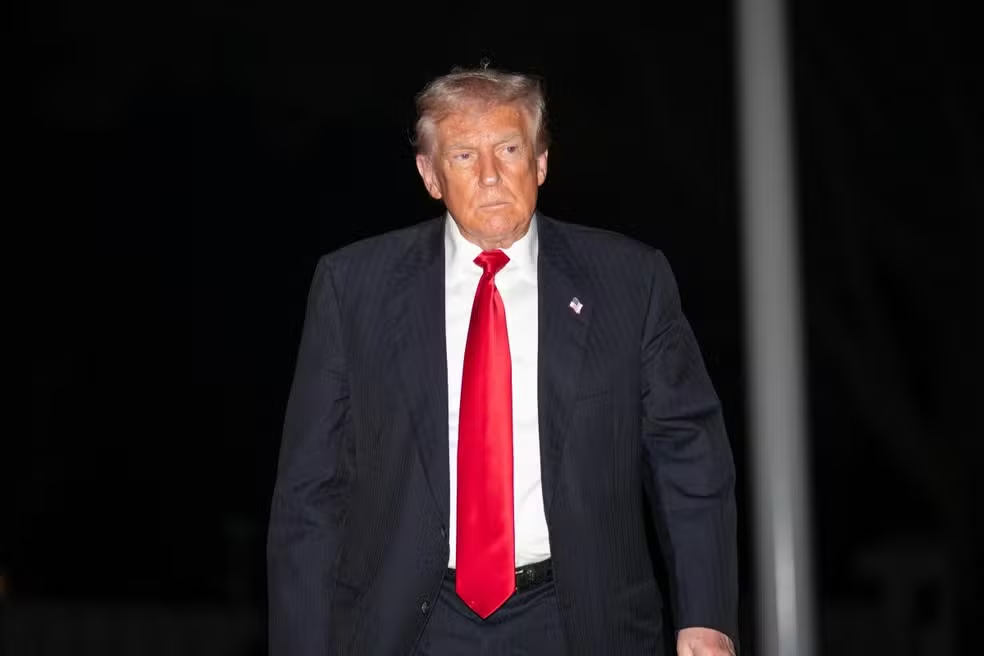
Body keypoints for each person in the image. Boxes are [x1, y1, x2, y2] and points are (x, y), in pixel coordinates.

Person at [267, 64, 739, 656]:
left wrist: (706, 618)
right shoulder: (353, 287)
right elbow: (310, 494)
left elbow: (689, 457)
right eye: (464, 155)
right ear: (430, 175)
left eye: (509, 149)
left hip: (580, 622)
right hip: (410, 625)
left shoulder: (629, 281)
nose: (490, 175)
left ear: (540, 162)